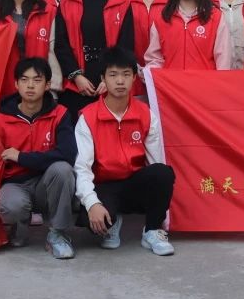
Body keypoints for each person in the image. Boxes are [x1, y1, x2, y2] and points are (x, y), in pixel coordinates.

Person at [73, 47, 175, 256]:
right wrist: (92, 204)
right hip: (103, 185)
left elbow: (156, 162)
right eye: (113, 75)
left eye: (126, 74)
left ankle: (152, 231)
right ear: (103, 79)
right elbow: (82, 169)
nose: (120, 81)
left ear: (134, 78)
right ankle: (112, 220)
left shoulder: (146, 115)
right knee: (90, 219)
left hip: (133, 184)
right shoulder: (88, 118)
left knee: (162, 172)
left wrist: (160, 209)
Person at [0, 57, 77, 260]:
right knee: (11, 206)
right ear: (16, 84)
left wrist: (21, 157)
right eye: (24, 80)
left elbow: (67, 153)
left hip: (46, 184)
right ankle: (19, 225)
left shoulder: (60, 114)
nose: (30, 85)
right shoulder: (1, 119)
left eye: (37, 80)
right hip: (15, 184)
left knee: (62, 169)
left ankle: (57, 233)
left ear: (48, 85)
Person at [53, 0, 137, 113]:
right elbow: (61, 44)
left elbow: (126, 44)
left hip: (111, 82)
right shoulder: (67, 0)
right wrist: (76, 76)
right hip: (77, 83)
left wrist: (110, 79)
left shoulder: (121, 0)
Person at [145, 0, 233, 70]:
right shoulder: (163, 18)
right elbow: (154, 59)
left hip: (205, 81)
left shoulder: (215, 17)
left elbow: (223, 60)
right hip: (171, 81)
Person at [0, 0, 60, 92]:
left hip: (39, 84)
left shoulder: (47, 11)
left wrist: (53, 85)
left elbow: (53, 51)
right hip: (6, 84)